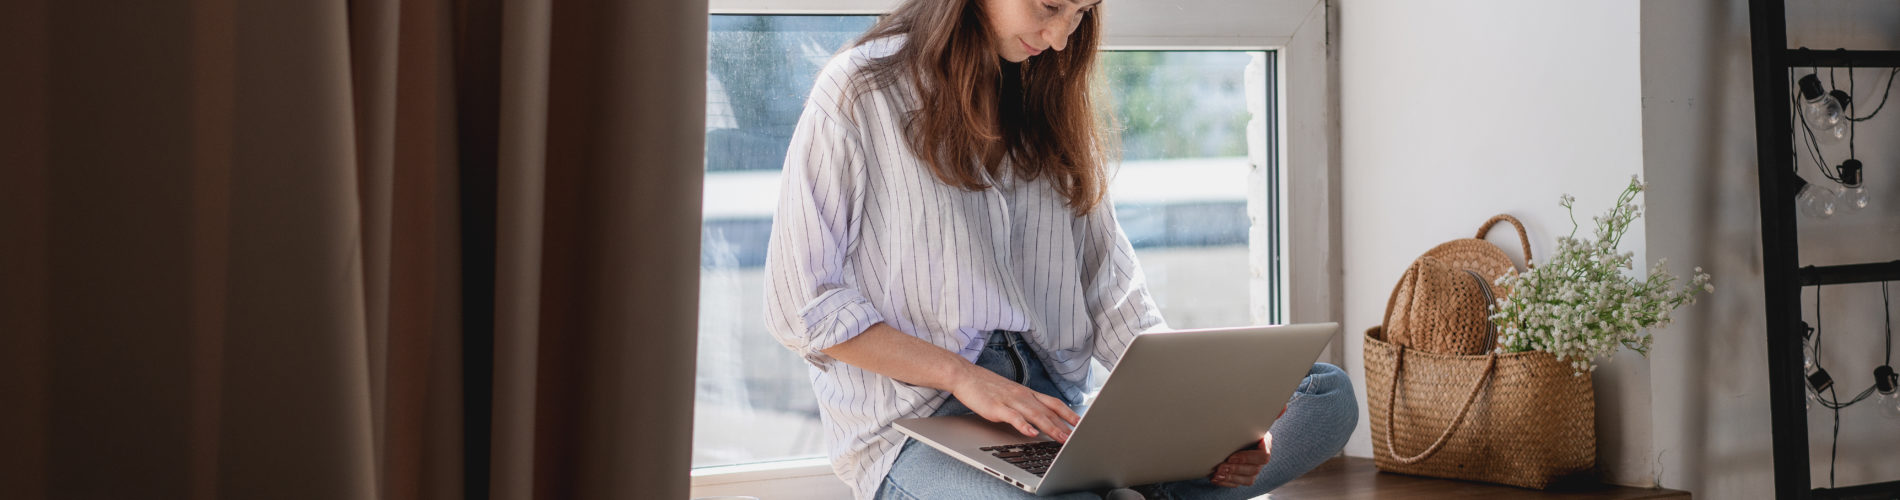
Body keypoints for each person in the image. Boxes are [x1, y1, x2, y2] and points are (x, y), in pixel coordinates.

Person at [761, 0, 1357, 497]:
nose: (1060, 35)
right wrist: (965, 378)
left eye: (1082, 10)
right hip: (917, 422)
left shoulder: (1052, 98)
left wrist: (1204, 414)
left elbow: (1112, 294)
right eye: (1048, 6)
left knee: (1325, 394)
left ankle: (1155, 476)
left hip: (1060, 412)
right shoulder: (861, 90)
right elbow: (800, 303)